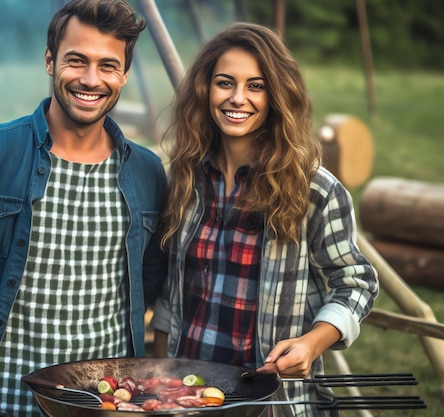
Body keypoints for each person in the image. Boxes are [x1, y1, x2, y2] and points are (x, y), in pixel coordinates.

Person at [0, 1, 168, 416]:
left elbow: (150, 280)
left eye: (108, 66)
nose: (91, 79)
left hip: (105, 406)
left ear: (125, 74)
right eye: (76, 60)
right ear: (49, 60)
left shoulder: (148, 174)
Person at [150, 22, 379, 417]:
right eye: (225, 83)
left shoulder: (315, 191)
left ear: (277, 95)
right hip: (187, 394)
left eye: (256, 86)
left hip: (271, 400)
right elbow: (173, 297)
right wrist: (157, 379)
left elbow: (356, 283)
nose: (238, 98)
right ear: (205, 90)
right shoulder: (186, 180)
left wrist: (312, 343)